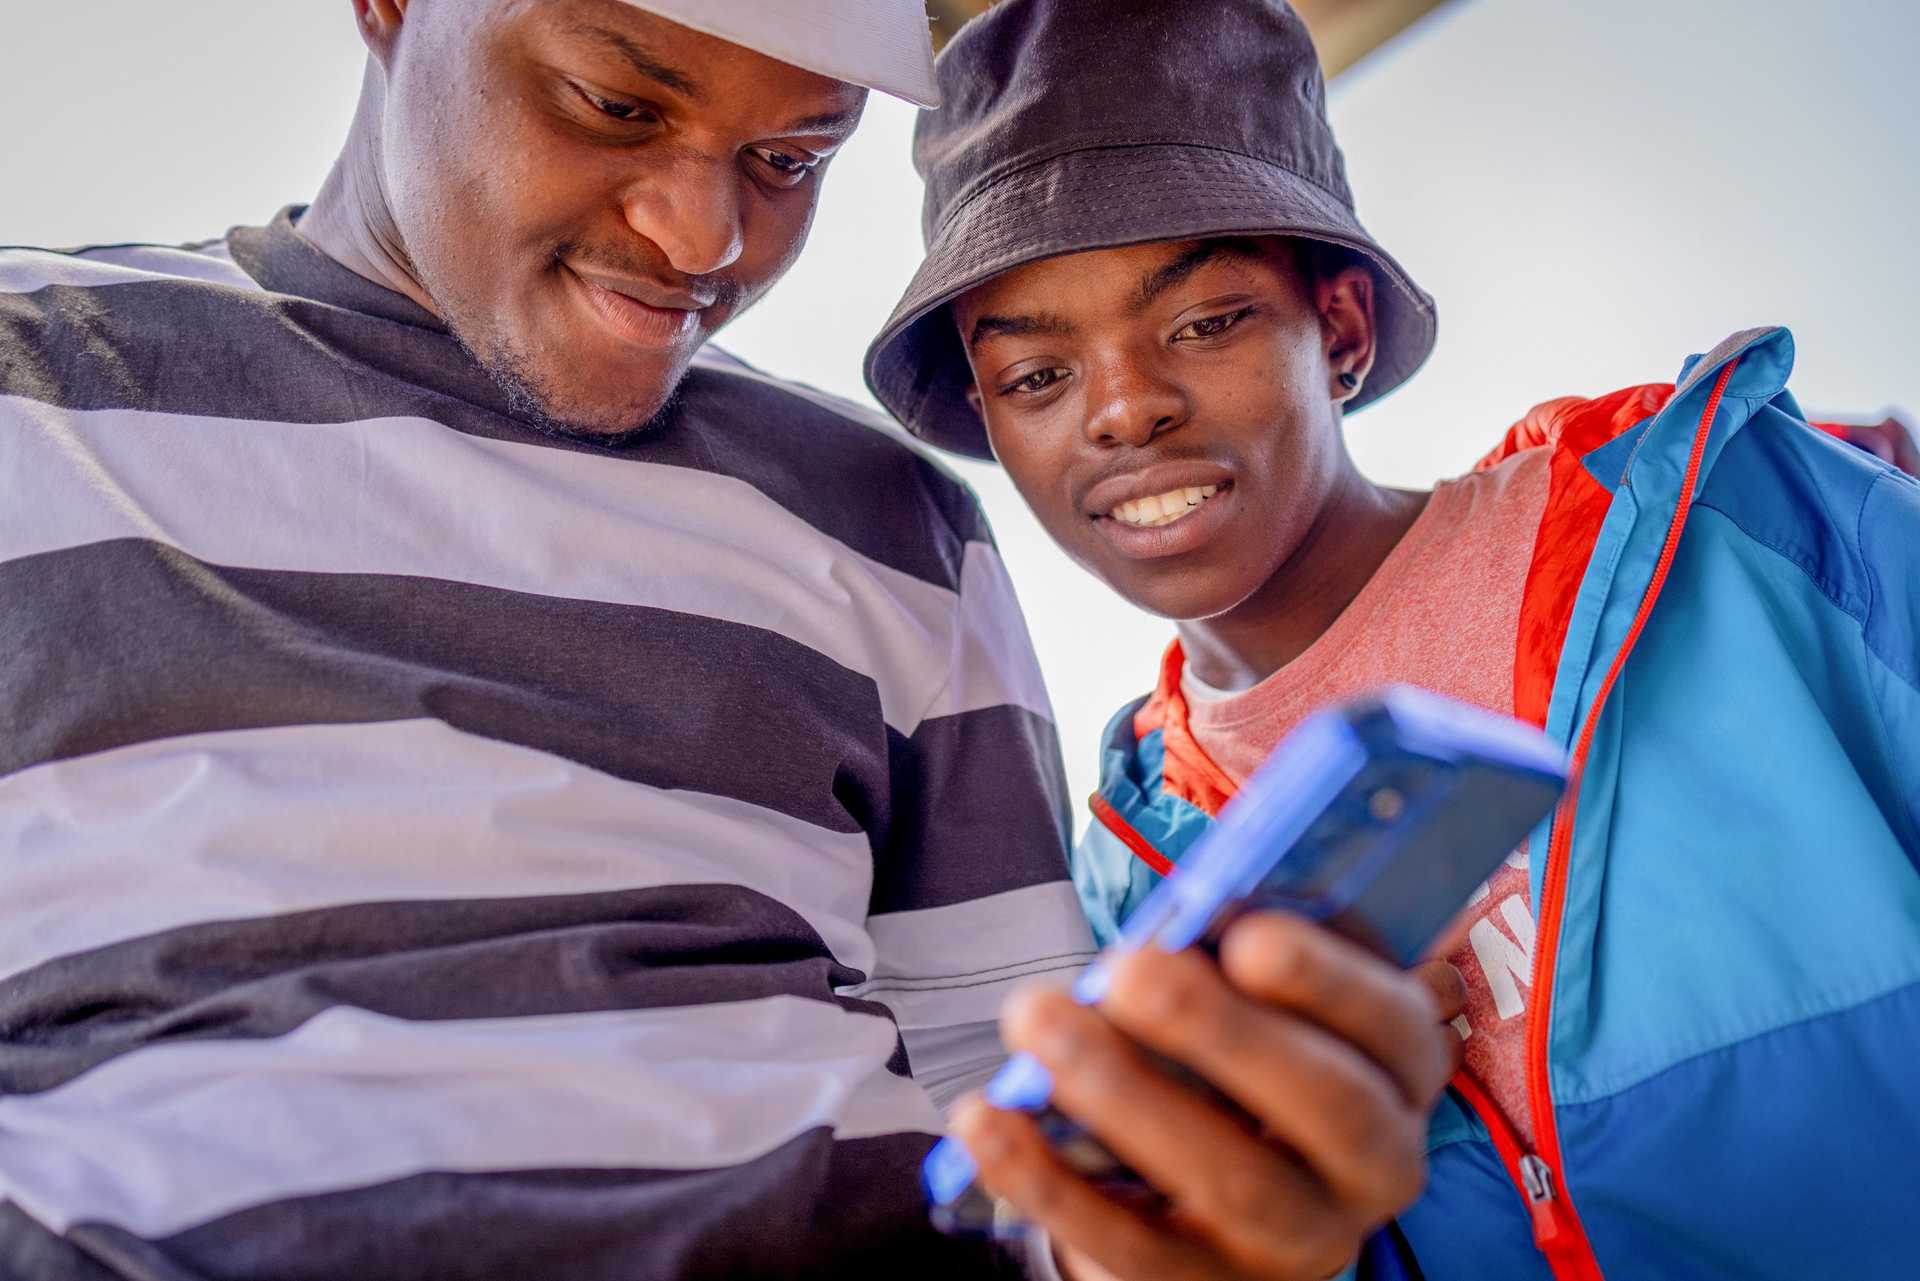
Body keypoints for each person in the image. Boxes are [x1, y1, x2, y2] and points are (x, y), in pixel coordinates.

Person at [0, 3, 1459, 1279]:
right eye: (617, 104)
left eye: (792, 161)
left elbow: (1011, 1136)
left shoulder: (885, 518)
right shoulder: (31, 387)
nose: (705, 241)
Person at [863, 1, 1920, 1278]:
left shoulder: (1742, 520)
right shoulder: (1124, 881)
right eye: (1038, 376)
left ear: (1343, 334)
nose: (1126, 408)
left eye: (1205, 321)